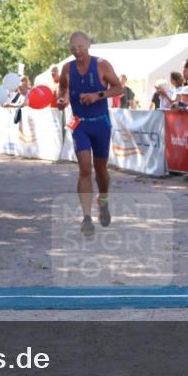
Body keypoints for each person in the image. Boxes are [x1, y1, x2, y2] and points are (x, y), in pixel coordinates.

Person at [56, 31, 124, 236]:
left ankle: (103, 200)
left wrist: (98, 95)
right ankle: (86, 218)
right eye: (73, 48)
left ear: (88, 45)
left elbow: (119, 88)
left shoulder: (102, 64)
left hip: (101, 124)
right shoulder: (67, 69)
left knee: (101, 170)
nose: (77, 51)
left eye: (80, 47)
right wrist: (62, 100)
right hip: (80, 125)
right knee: (85, 169)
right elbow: (62, 90)